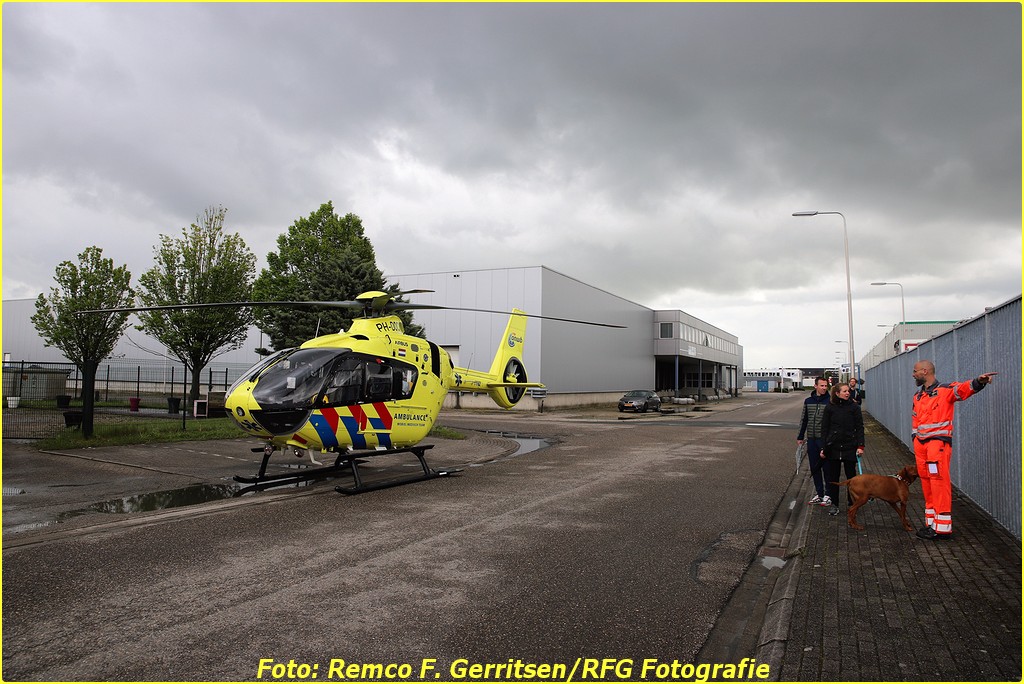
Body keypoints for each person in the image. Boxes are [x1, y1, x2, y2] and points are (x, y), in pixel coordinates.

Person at [911, 360, 997, 540]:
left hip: (937, 445)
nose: (913, 374)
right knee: (927, 482)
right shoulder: (918, 397)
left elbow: (963, 389)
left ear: (925, 371)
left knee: (938, 482)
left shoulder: (944, 390)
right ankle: (931, 524)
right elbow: (916, 421)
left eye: (915, 371)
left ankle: (942, 528)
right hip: (922, 447)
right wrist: (915, 440)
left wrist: (979, 381)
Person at [820, 383, 864, 516]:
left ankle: (852, 504)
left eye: (848, 391)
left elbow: (860, 427)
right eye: (844, 391)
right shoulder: (830, 408)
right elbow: (824, 429)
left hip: (850, 447)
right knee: (834, 478)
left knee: (852, 478)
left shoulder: (854, 407)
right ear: (837, 393)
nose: (847, 393)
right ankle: (834, 504)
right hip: (833, 448)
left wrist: (860, 446)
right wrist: (824, 447)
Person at [797, 376, 831, 506]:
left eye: (825, 385)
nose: (824, 388)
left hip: (824, 440)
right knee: (814, 467)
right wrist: (800, 436)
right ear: (815, 386)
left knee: (827, 467)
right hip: (811, 439)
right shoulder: (808, 401)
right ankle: (819, 493)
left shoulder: (830, 401)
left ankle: (828, 494)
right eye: (821, 385)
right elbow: (804, 420)